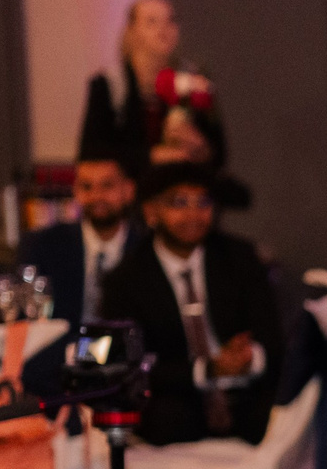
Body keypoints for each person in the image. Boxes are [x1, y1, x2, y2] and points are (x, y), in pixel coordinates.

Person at [100, 162, 282, 447]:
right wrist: (206, 370)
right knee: (169, 418)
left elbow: (273, 336)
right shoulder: (126, 279)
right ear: (152, 212)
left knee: (285, 410)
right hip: (177, 398)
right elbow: (129, 366)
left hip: (242, 391)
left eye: (203, 202)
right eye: (179, 203)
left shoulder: (239, 258)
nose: (193, 214)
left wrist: (248, 357)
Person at [79, 0, 227, 174]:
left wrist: (201, 147)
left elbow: (219, 153)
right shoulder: (109, 85)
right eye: (151, 21)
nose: (163, 28)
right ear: (132, 31)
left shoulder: (194, 80)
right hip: (131, 193)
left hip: (180, 191)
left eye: (170, 20)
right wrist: (154, 155)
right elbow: (91, 152)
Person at [15, 144, 144, 332]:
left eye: (107, 185)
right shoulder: (44, 245)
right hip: (62, 356)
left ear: (129, 190)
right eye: (86, 186)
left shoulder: (146, 247)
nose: (96, 196)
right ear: (76, 191)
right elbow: (26, 319)